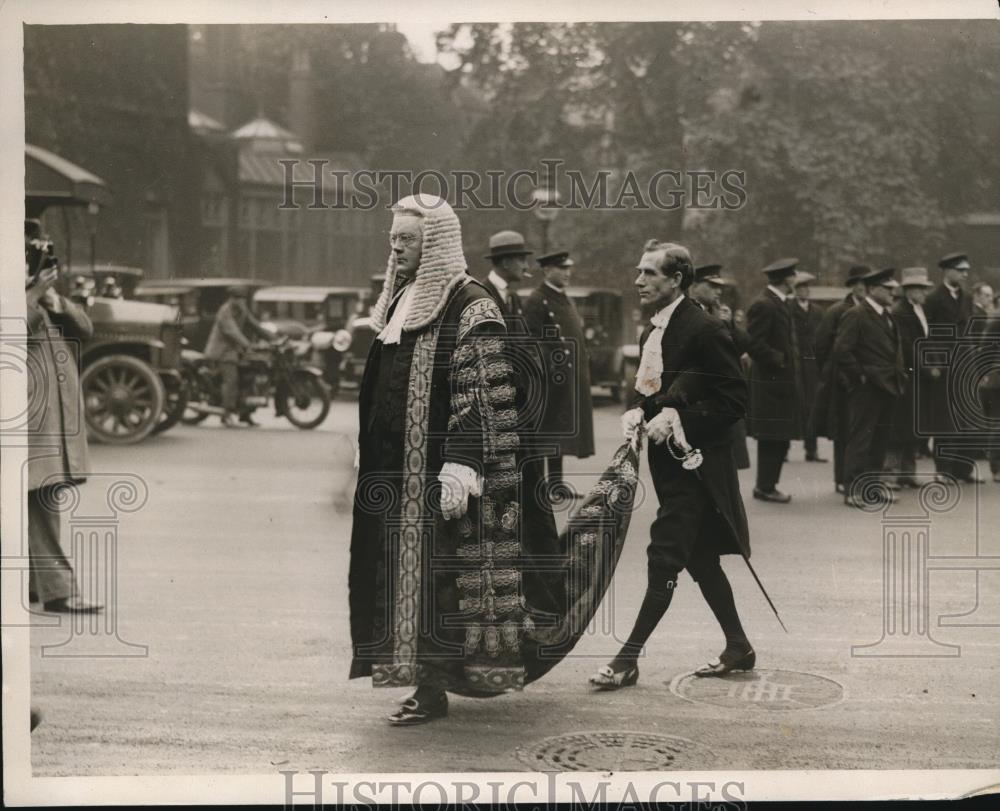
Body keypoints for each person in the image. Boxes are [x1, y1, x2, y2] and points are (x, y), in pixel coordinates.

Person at [350, 194, 583, 726]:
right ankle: (421, 678)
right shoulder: (401, 298)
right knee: (405, 574)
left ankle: (431, 689)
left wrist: (461, 463)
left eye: (407, 238)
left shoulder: (469, 301)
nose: (396, 247)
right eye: (393, 238)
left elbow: (483, 391)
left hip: (443, 474)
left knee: (441, 580)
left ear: (433, 243)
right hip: (399, 468)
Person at [588, 241, 754, 690]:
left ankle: (627, 658)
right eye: (639, 272)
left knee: (665, 553)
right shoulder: (652, 331)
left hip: (700, 467)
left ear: (676, 279)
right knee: (699, 558)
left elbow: (735, 400)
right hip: (669, 466)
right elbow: (656, 391)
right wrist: (640, 411)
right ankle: (738, 645)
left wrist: (680, 419)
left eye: (650, 274)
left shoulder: (705, 329)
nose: (639, 281)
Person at [24, 220, 103, 615]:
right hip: (27, 419)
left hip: (49, 419)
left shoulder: (42, 296)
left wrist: (53, 300)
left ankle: (37, 585)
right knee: (41, 499)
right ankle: (59, 591)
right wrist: (32, 295)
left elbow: (85, 328)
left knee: (39, 498)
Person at [521, 249, 595, 497]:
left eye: (568, 268)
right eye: (562, 269)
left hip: (568, 376)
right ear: (546, 270)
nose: (567, 273)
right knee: (545, 432)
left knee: (560, 432)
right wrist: (551, 362)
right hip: (549, 378)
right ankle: (541, 486)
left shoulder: (564, 297)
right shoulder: (537, 299)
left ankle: (556, 483)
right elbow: (528, 340)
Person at [834, 268, 907, 508]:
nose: (892, 293)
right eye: (887, 289)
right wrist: (861, 376)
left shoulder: (887, 315)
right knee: (861, 439)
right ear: (873, 289)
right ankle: (852, 489)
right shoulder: (857, 314)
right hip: (868, 388)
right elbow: (841, 351)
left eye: (893, 289)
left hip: (888, 387)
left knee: (880, 440)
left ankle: (871, 487)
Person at [745, 257, 804, 503]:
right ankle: (765, 486)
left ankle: (769, 485)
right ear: (786, 278)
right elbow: (753, 341)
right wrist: (778, 360)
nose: (796, 279)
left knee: (779, 437)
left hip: (779, 383)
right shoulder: (765, 304)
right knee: (771, 438)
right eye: (793, 275)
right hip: (770, 383)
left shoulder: (777, 302)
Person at [923, 252, 982, 483]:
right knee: (946, 421)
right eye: (960, 270)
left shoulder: (966, 298)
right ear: (947, 271)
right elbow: (927, 334)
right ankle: (943, 470)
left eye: (966, 271)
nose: (965, 274)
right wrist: (934, 364)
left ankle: (963, 470)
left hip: (965, 363)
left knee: (969, 418)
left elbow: (969, 330)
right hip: (945, 365)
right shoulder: (933, 298)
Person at [812, 264, 870, 493]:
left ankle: (855, 476)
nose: (863, 289)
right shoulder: (838, 310)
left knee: (858, 429)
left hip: (861, 378)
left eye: (867, 285)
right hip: (840, 379)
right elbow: (821, 344)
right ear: (853, 286)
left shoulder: (868, 310)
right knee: (842, 430)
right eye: (859, 284)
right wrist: (831, 371)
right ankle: (841, 478)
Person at [691, 264, 751, 470]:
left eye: (720, 287)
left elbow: (743, 345)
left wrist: (730, 324)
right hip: (701, 396)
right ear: (695, 286)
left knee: (725, 463)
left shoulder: (718, 312)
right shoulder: (690, 311)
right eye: (712, 285)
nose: (718, 291)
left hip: (723, 396)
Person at [887, 267, 934, 487]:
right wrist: (926, 367)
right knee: (901, 425)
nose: (925, 293)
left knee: (912, 425)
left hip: (917, 378)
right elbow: (907, 345)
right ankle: (892, 472)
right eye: (921, 289)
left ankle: (907, 472)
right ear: (910, 290)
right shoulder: (901, 311)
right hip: (907, 375)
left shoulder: (917, 309)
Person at [203, 286, 274, 426]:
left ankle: (245, 414)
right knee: (232, 380)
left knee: (249, 380)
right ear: (232, 299)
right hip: (222, 351)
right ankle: (226, 414)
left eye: (243, 299)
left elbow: (256, 326)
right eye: (238, 298)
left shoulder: (242, 310)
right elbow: (232, 331)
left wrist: (275, 339)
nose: (241, 302)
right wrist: (247, 344)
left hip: (236, 351)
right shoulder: (225, 311)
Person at [791, 271, 827, 463]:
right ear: (795, 291)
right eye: (800, 288)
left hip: (812, 365)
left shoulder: (819, 312)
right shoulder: (788, 308)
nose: (804, 291)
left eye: (806, 288)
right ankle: (784, 448)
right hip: (795, 363)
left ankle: (811, 449)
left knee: (812, 405)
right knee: (792, 403)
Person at [481, 230, 533, 321]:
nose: (526, 266)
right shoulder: (482, 295)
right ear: (506, 263)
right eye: (522, 260)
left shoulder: (513, 297)